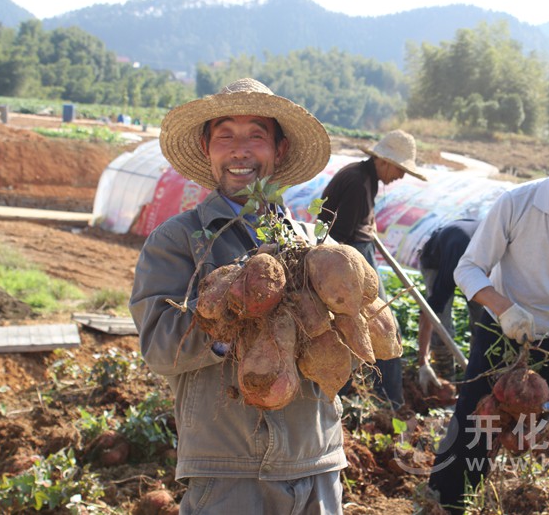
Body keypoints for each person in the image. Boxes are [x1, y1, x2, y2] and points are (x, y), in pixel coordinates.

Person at [129, 78, 347, 514]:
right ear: (208, 150)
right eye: (225, 135)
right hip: (229, 467)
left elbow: (341, 341)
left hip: (317, 459)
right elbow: (158, 348)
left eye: (256, 136)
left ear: (279, 151)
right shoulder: (178, 240)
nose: (240, 149)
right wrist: (234, 311)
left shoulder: (314, 246)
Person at [428, 139, 549, 514]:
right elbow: (468, 268)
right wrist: (504, 309)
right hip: (501, 331)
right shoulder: (515, 204)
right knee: (474, 424)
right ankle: (444, 503)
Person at [317, 129, 427, 409]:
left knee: (369, 328)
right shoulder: (356, 181)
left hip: (360, 254)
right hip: (351, 259)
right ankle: (389, 402)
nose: (401, 176)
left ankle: (367, 396)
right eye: (400, 169)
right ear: (384, 161)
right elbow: (339, 238)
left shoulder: (366, 178)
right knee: (383, 328)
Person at [416, 218, 484, 391]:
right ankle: (445, 383)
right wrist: (422, 361)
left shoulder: (497, 254)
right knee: (441, 323)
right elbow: (430, 312)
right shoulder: (452, 266)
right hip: (436, 259)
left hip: (468, 246)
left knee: (483, 320)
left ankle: (478, 375)